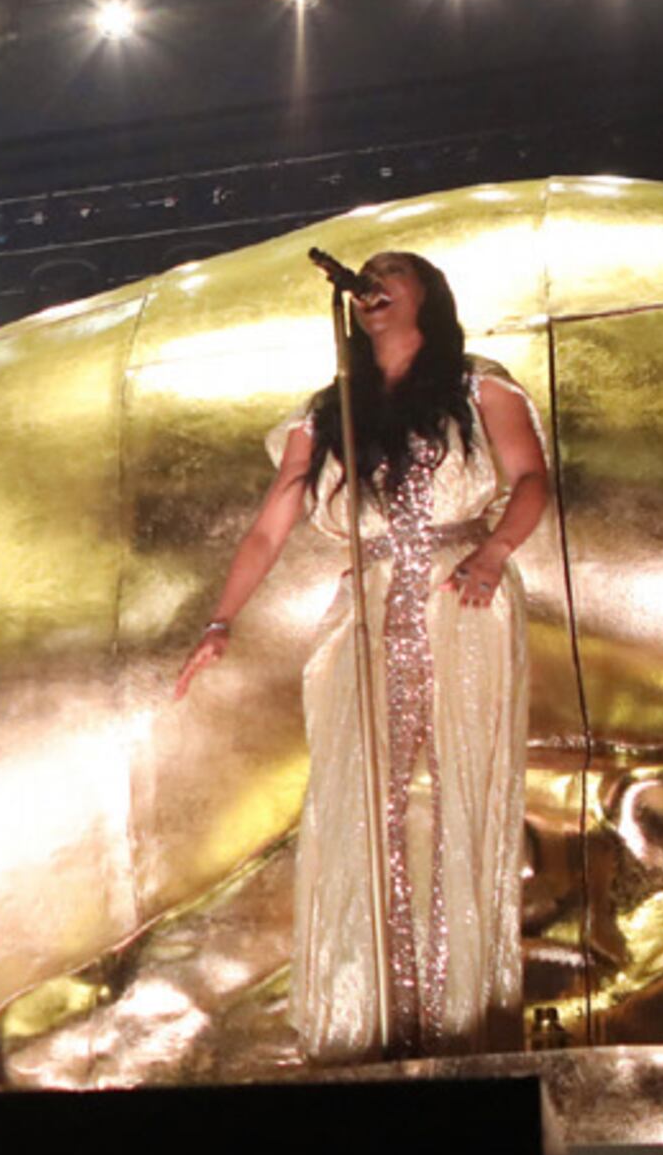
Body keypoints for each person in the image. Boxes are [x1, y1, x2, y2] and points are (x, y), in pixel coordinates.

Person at [175, 249, 552, 1059]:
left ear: (428, 296)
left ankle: (465, 1025)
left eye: (392, 271)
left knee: (465, 791)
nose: (371, 283)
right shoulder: (330, 411)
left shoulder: (477, 384)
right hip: (370, 608)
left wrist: (492, 557)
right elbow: (271, 524)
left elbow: (530, 480)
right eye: (366, 276)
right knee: (355, 799)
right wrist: (220, 621)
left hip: (465, 595)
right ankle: (363, 1024)